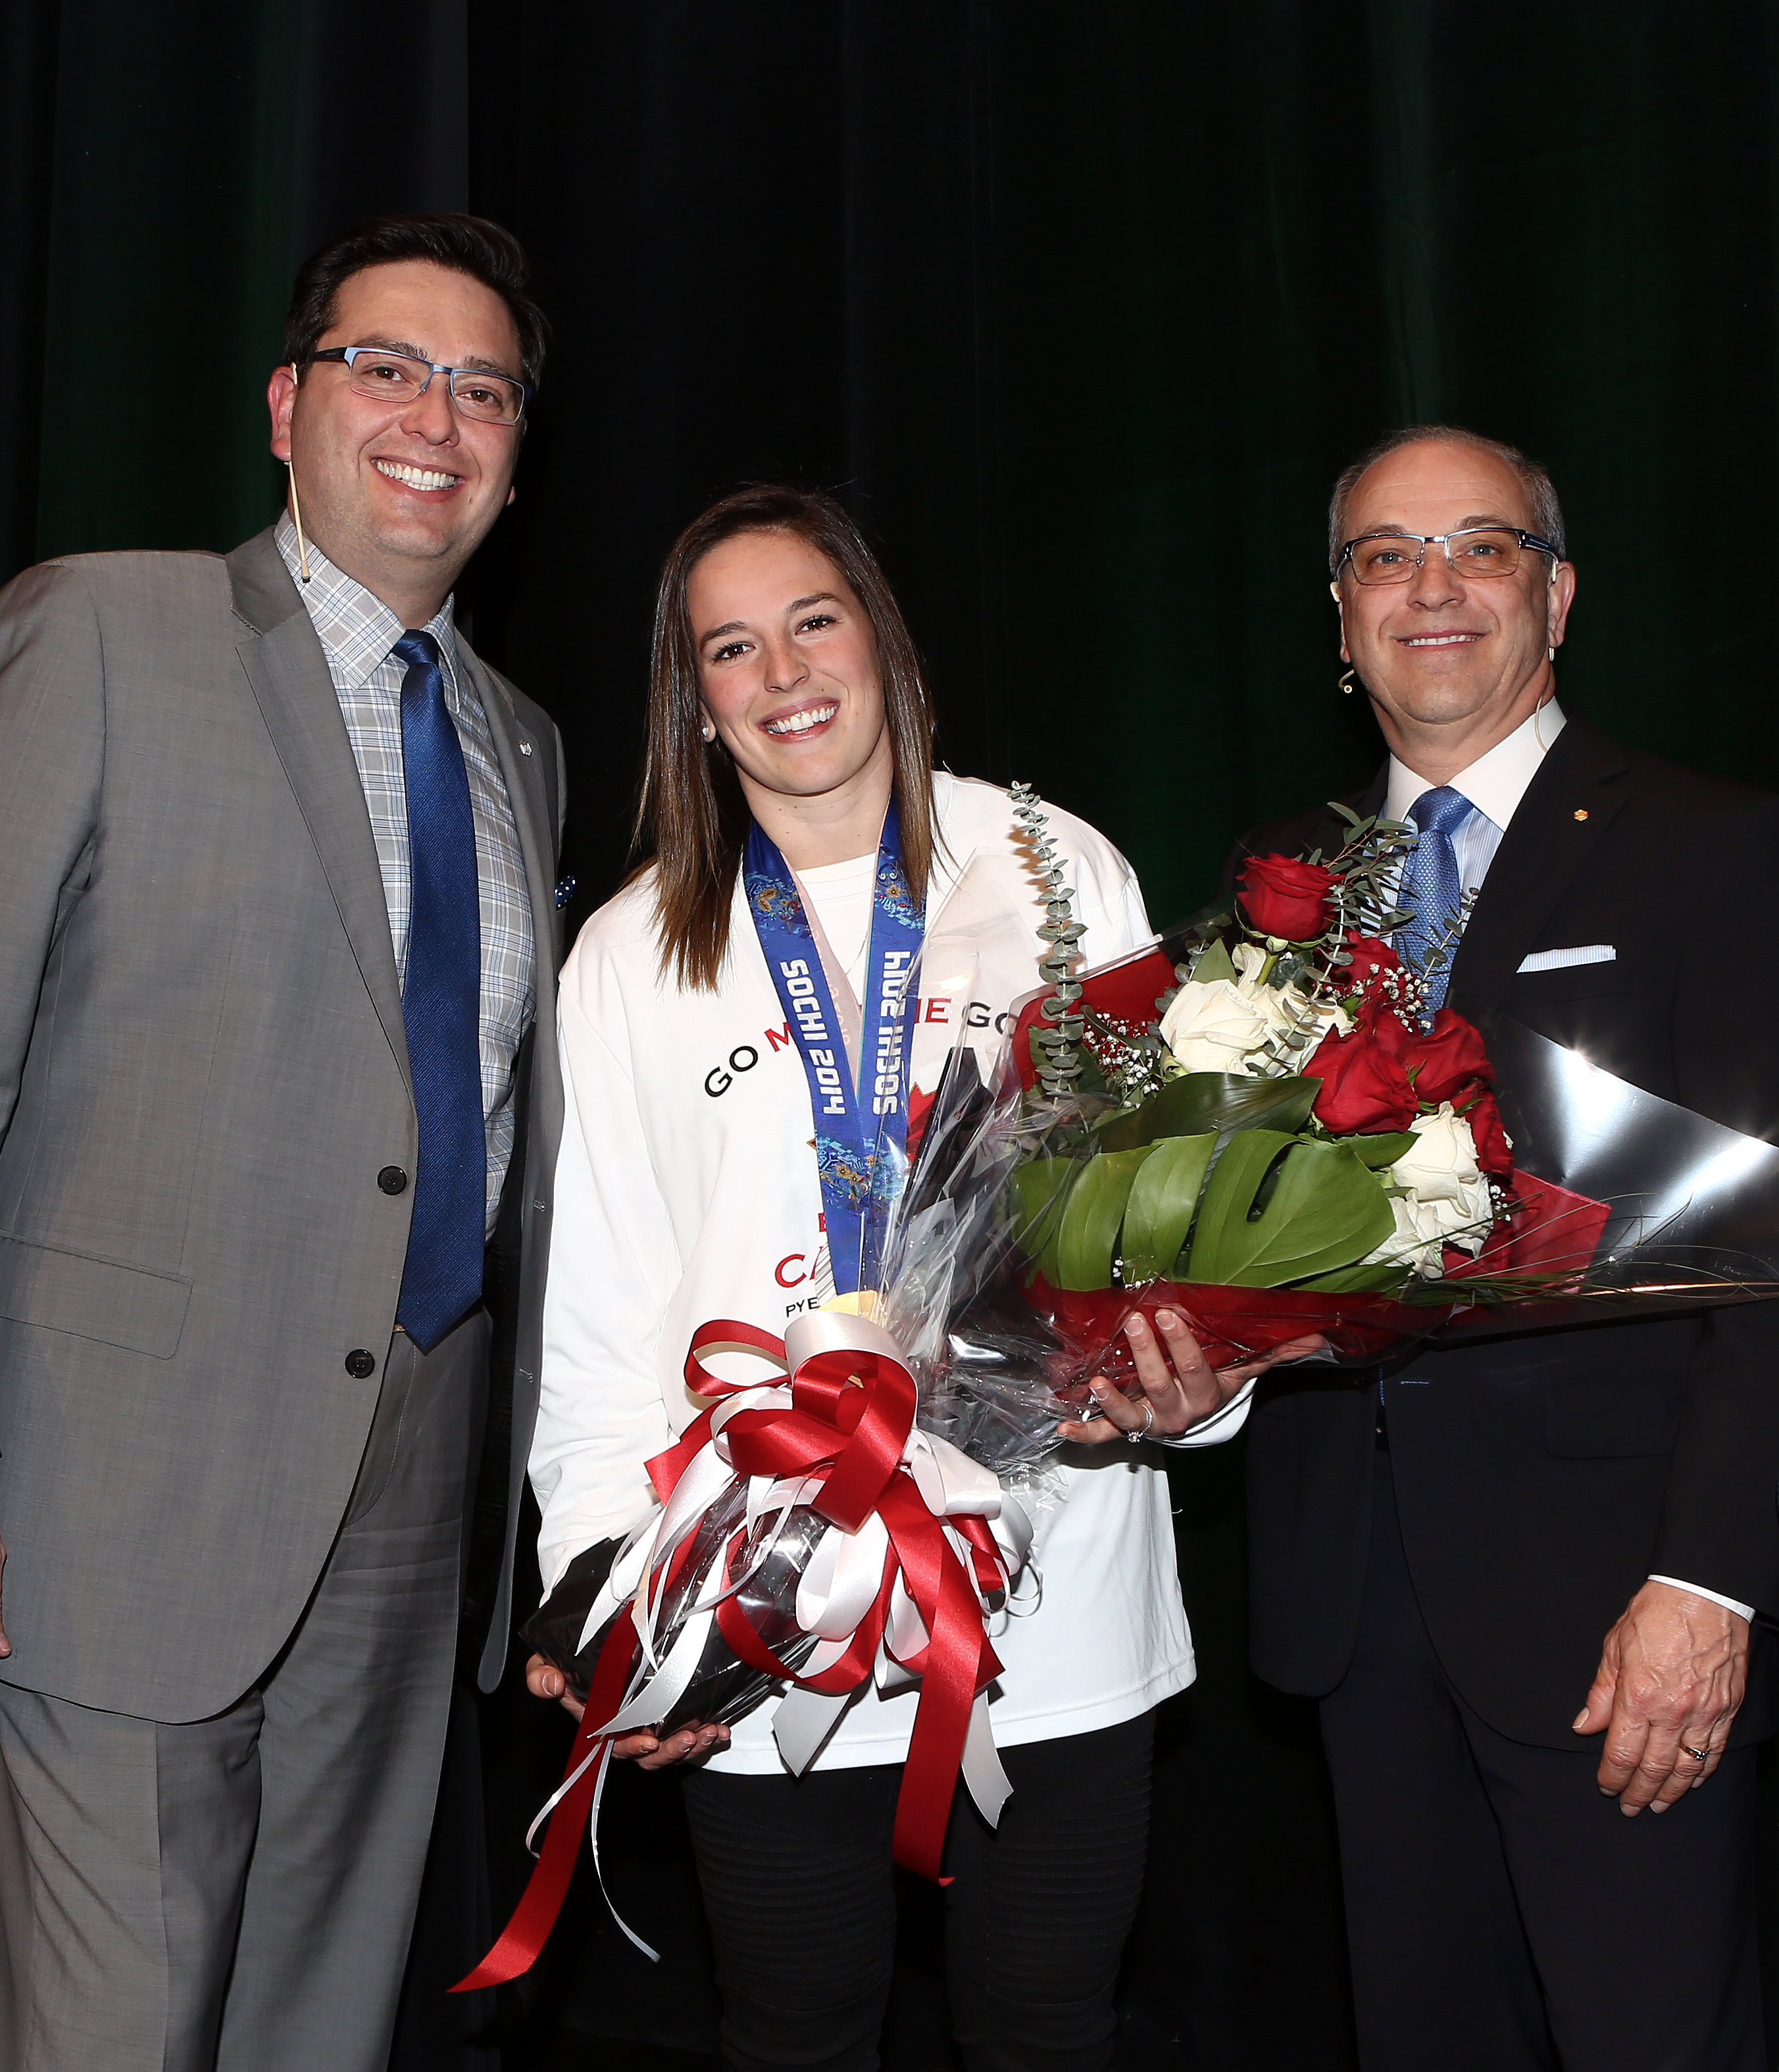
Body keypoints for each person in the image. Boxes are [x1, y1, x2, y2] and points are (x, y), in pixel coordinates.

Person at [0, 214, 564, 2071]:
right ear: (288, 407)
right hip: (113, 1487)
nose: (436, 419)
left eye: (482, 390)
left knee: (323, 2028)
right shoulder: (97, 630)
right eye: (389, 369)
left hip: (409, 1494)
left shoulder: (524, 743)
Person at [1137, 425, 1779, 2071]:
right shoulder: (1277, 887)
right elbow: (1261, 1242)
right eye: (1385, 555)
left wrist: (1708, 1579)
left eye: (1482, 545)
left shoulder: (1711, 845)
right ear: (1340, 616)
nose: (1433, 586)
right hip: (1354, 1599)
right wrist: (1199, 1375)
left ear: (1559, 593)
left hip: (1616, 1606)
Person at [526, 485, 1266, 2072]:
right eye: (731, 647)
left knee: (1049, 2035)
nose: (784, 671)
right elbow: (595, 1307)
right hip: (762, 1597)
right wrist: (606, 1590)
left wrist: (1195, 1393)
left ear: (881, 637)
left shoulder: (1049, 865)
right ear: (693, 700)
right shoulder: (633, 949)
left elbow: (1167, 1219)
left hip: (1057, 1587)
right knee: (791, 2035)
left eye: (815, 620)